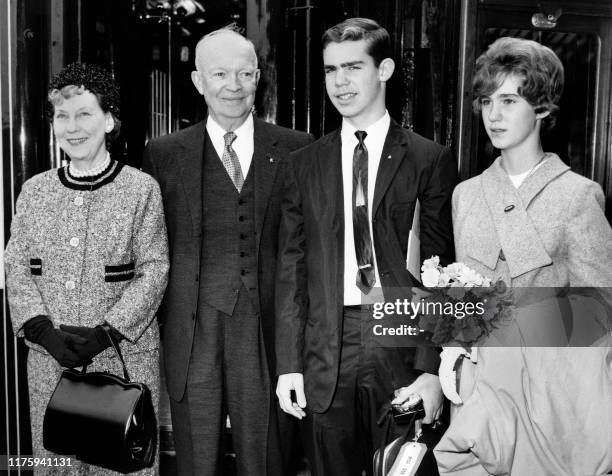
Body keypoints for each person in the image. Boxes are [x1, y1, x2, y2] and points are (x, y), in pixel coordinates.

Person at [275, 17, 458, 475]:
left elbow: (443, 274)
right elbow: (291, 271)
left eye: (353, 67)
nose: (340, 81)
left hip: (399, 339)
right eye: (330, 69)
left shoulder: (427, 158)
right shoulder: (303, 165)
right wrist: (289, 366)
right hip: (324, 344)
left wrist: (432, 371)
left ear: (385, 69)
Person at [433, 37, 612, 475]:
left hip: (549, 400)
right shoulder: (466, 195)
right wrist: (452, 350)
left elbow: (602, 313)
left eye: (509, 100)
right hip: (479, 395)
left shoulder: (578, 196)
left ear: (543, 108)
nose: (493, 114)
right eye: (486, 100)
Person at [141, 25, 313, 476]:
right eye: (219, 74)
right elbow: (149, 245)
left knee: (268, 461)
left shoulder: (297, 149)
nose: (232, 86)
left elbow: (307, 248)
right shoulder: (163, 154)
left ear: (259, 77)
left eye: (244, 74)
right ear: (198, 81)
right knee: (197, 463)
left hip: (267, 334)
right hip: (192, 332)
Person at [4, 62, 169, 475]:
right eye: (63, 116)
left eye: (84, 114)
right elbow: (17, 265)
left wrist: (105, 334)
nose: (72, 127)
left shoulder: (140, 188)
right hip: (50, 364)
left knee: (121, 465)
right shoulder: (34, 191)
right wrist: (41, 331)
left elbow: (155, 269)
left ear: (109, 120)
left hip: (122, 362)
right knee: (57, 464)